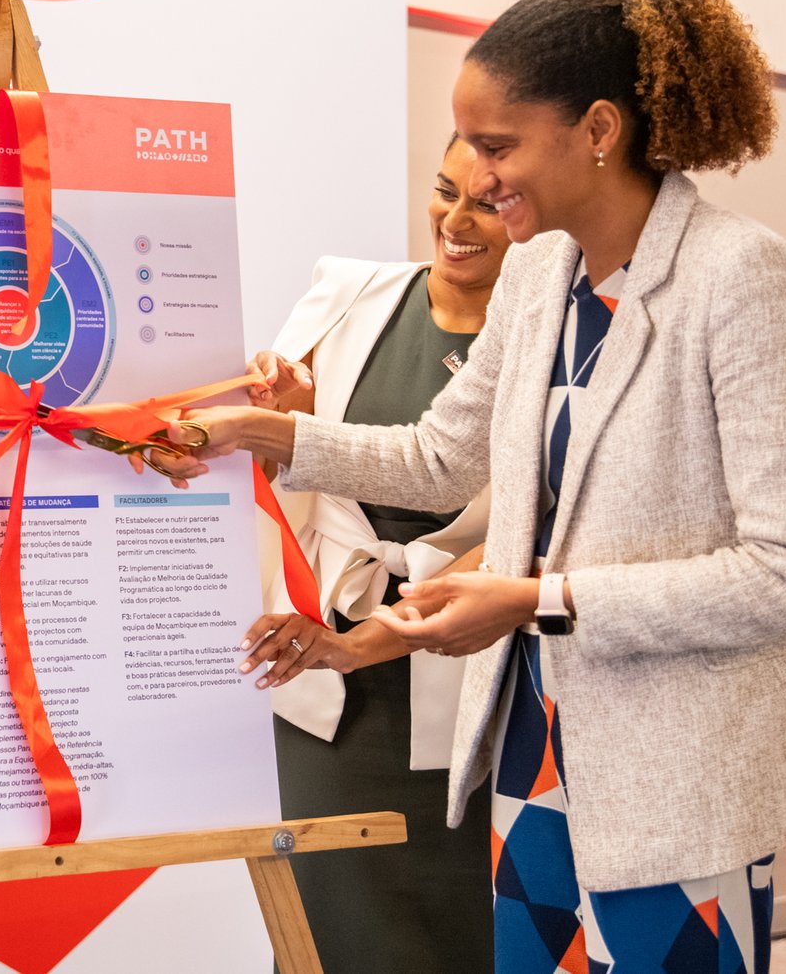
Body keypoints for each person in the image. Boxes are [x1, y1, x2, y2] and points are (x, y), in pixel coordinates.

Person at [175, 0, 786, 972]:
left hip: (676, 783)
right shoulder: (537, 275)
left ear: (598, 131)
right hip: (530, 767)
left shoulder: (741, 278)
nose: (472, 181)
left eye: (496, 144)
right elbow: (437, 458)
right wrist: (251, 436)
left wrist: (535, 598)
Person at [248, 134, 508, 973]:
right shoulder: (351, 299)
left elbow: (543, 524)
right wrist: (289, 416)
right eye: (444, 191)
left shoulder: (555, 338)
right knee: (337, 932)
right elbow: (291, 477)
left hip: (482, 685)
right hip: (334, 693)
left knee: (475, 930)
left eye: (488, 202)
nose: (456, 219)